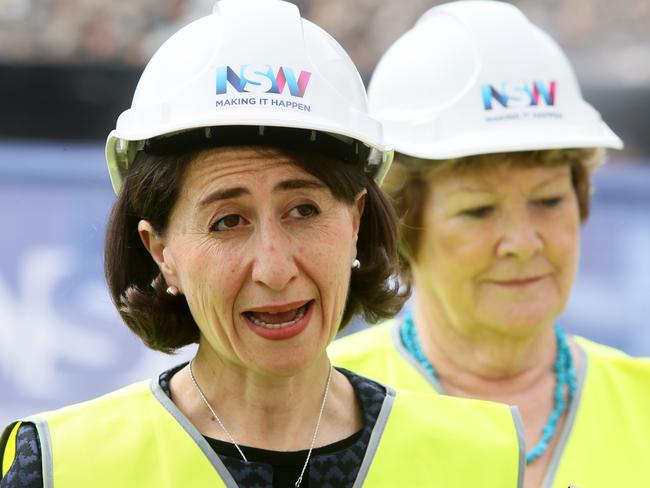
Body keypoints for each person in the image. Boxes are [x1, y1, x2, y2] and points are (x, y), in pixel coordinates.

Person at [0, 1, 525, 487]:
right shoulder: (62, 466)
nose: (274, 270)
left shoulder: (483, 458)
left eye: (304, 210)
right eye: (228, 222)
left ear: (356, 223)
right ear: (161, 252)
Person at [330, 2, 650, 488]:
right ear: (401, 224)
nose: (522, 243)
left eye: (547, 201)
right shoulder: (320, 405)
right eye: (478, 210)